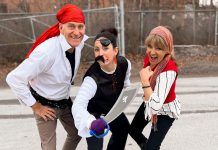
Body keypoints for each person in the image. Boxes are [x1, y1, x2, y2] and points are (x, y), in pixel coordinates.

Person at [6, 4, 88, 150]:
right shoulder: (47, 51)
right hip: (44, 105)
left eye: (80, 27)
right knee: (49, 147)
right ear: (61, 27)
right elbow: (14, 78)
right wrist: (36, 106)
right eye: (71, 26)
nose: (77, 32)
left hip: (64, 101)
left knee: (77, 133)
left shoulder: (79, 44)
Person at [72, 28, 131, 150]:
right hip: (94, 115)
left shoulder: (125, 64)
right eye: (97, 50)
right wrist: (91, 122)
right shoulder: (91, 79)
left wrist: (123, 99)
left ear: (115, 51)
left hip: (112, 109)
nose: (100, 54)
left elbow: (125, 85)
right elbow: (77, 105)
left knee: (123, 128)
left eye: (105, 48)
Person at [129, 26, 181, 150]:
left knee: (152, 148)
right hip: (150, 100)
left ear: (167, 50)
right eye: (150, 46)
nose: (152, 52)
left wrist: (144, 81)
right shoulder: (150, 58)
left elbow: (156, 106)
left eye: (158, 48)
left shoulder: (169, 71)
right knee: (133, 130)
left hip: (165, 110)